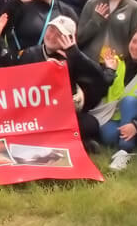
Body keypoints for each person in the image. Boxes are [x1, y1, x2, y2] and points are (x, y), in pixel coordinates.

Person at [16, 16, 108, 147]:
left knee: (90, 124)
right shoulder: (30, 53)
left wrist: (75, 54)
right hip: (35, 114)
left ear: (70, 39)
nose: (52, 36)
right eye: (51, 30)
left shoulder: (74, 57)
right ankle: (73, 141)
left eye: (59, 34)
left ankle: (61, 139)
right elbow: (17, 87)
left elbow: (99, 79)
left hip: (62, 114)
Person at [92, 27, 137, 167]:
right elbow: (98, 90)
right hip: (112, 116)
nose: (136, 47)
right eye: (134, 41)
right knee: (108, 136)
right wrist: (109, 72)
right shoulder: (115, 62)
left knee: (130, 100)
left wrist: (136, 125)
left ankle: (124, 151)